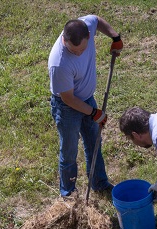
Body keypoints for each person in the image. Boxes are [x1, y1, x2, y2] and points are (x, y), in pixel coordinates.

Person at [48, 15, 123, 197]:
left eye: (82, 50)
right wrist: (93, 112)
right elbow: (68, 99)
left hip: (87, 98)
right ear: (64, 40)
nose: (78, 54)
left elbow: (96, 19)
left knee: (94, 141)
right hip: (67, 108)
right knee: (69, 151)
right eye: (74, 51)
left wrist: (115, 37)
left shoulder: (87, 26)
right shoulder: (59, 63)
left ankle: (99, 183)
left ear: (89, 36)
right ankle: (68, 193)